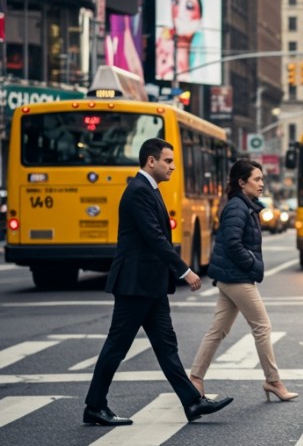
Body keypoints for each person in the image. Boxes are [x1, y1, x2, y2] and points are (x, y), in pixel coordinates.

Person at [84, 138, 232, 426]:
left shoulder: (149, 189)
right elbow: (155, 238)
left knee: (166, 347)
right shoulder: (139, 191)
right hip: (135, 285)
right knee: (117, 346)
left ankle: (192, 402)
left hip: (150, 286)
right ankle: (95, 405)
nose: (173, 167)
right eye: (168, 161)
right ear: (151, 161)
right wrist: (184, 270)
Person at [189, 159, 297, 402]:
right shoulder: (238, 207)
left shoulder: (244, 205)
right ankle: (273, 381)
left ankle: (195, 378)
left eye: (262, 179)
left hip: (231, 276)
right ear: (241, 182)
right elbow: (232, 243)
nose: (261, 184)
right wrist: (253, 263)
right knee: (262, 326)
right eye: (256, 179)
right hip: (237, 277)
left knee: (218, 330)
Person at [156, 0, 204, 82]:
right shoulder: (162, 41)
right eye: (176, 1)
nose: (179, 10)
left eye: (189, 6)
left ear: (200, 19)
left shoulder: (202, 67)